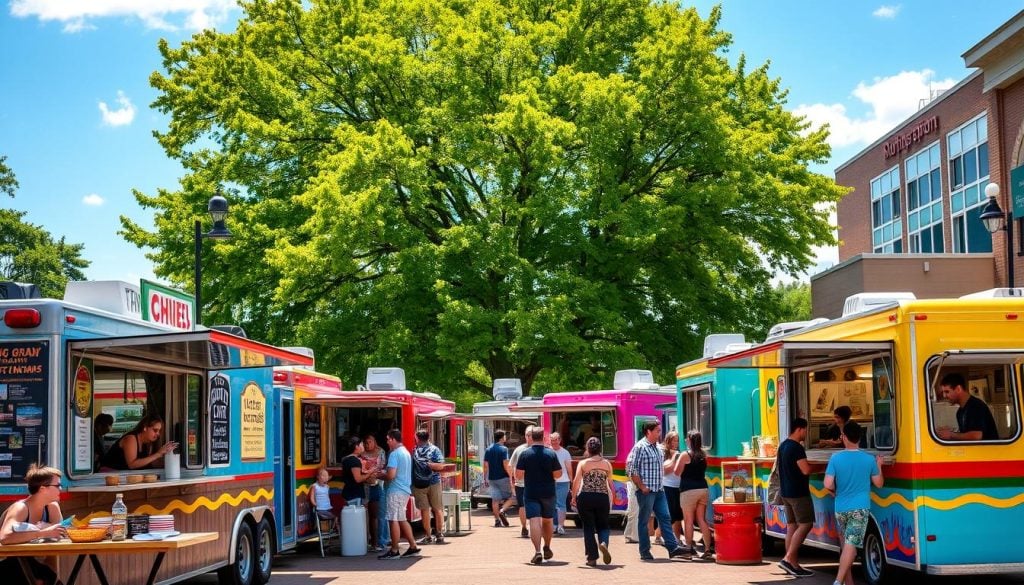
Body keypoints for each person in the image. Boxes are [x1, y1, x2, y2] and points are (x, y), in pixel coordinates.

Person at [824, 424, 884, 585]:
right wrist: (879, 465)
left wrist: (835, 493)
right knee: (851, 546)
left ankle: (848, 583)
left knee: (846, 546)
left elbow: (827, 483)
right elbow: (879, 483)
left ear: (843, 436)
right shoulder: (868, 459)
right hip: (860, 508)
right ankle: (838, 581)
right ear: (860, 437)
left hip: (840, 508)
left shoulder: (836, 458)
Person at [625, 421, 689, 561]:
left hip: (659, 490)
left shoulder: (657, 448)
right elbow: (630, 468)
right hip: (647, 491)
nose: (660, 433)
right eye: (657, 431)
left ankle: (672, 548)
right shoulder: (640, 447)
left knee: (665, 518)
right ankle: (645, 551)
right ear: (648, 431)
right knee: (644, 521)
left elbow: (661, 468)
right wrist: (642, 487)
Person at [0, 464, 67, 585]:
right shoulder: (20, 508)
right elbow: (5, 538)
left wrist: (54, 577)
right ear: (42, 488)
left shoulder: (52, 507)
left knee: (50, 579)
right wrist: (41, 533)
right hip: (9, 563)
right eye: (57, 485)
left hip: (32, 562)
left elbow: (60, 538)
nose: (61, 489)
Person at [515, 427, 561, 565]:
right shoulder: (551, 454)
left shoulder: (525, 454)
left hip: (531, 493)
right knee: (547, 520)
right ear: (544, 437)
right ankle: (547, 546)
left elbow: (518, 475)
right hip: (549, 492)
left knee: (534, 521)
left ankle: (537, 551)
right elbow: (558, 474)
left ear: (531, 437)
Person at [776, 418, 815, 577]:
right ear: (799, 429)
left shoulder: (783, 445)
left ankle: (792, 563)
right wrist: (822, 468)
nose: (806, 433)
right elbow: (805, 470)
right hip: (798, 493)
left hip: (785, 492)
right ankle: (788, 559)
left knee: (791, 526)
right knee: (806, 524)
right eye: (805, 430)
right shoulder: (797, 448)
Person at [570, 436, 614, 567]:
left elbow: (576, 482)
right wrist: (615, 496)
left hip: (586, 497)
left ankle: (592, 558)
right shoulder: (606, 464)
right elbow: (610, 483)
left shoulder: (583, 464)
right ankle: (604, 542)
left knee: (588, 527)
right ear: (600, 448)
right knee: (603, 525)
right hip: (602, 497)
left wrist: (573, 497)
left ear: (587, 449)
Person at [378, 429, 421, 560]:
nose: (386, 442)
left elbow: (391, 475)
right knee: (401, 518)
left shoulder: (394, 454)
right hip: (404, 489)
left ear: (392, 439)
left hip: (395, 490)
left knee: (393, 519)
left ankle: (395, 549)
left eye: (387, 439)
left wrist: (381, 474)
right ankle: (413, 546)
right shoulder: (406, 452)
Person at [674, 430, 713, 560]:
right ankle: (708, 550)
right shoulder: (703, 455)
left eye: (687, 439)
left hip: (688, 491)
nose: (685, 440)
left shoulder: (685, 455)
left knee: (688, 520)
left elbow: (676, 472)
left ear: (690, 441)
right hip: (703, 489)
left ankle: (689, 549)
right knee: (702, 519)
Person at [100, 413, 177, 470]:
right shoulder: (131, 439)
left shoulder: (149, 442)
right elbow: (132, 464)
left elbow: (150, 462)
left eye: (159, 431)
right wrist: (158, 454)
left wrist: (169, 459)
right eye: (155, 430)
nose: (157, 434)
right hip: (108, 475)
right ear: (145, 427)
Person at [936, 372, 999, 441]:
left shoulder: (976, 406)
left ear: (958, 389)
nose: (944, 396)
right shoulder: (960, 412)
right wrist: (949, 432)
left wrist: (951, 435)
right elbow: (966, 436)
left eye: (947, 392)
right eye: (943, 392)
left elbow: (976, 436)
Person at [412, 429, 445, 545]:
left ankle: (428, 536)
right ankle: (439, 534)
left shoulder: (414, 451)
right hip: (434, 482)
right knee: (437, 509)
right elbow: (441, 466)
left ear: (417, 438)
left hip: (418, 484)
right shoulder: (435, 450)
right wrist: (430, 465)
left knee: (424, 510)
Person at [362, 434, 389, 551]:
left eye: (370, 442)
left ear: (374, 442)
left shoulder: (381, 451)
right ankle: (370, 539)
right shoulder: (361, 454)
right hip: (365, 485)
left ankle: (382, 539)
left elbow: (382, 466)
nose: (368, 445)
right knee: (367, 515)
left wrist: (375, 475)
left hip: (378, 484)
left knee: (380, 514)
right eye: (366, 443)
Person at [508, 425, 535, 538]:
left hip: (533, 484)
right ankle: (524, 526)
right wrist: (512, 481)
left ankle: (531, 527)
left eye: (531, 435)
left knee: (531, 506)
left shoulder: (521, 449)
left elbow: (510, 466)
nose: (529, 437)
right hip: (521, 484)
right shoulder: (519, 450)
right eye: (527, 435)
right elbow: (510, 466)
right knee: (523, 506)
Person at [482, 430, 513, 527]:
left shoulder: (488, 449)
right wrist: (510, 475)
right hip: (503, 477)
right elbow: (505, 464)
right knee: (513, 497)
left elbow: (486, 465)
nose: (505, 437)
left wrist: (485, 477)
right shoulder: (504, 449)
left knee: (495, 500)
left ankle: (497, 520)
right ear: (501, 438)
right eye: (505, 436)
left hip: (492, 478)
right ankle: (502, 510)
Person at [660, 431, 683, 547]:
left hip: (677, 487)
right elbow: (664, 471)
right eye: (674, 440)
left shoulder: (679, 453)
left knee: (676, 514)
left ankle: (674, 538)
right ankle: (672, 539)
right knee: (671, 514)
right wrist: (675, 459)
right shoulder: (664, 453)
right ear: (668, 441)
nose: (676, 442)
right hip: (667, 486)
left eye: (677, 440)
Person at [549, 432, 572, 535]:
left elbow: (569, 468)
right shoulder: (548, 451)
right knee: (552, 504)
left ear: (559, 440)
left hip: (563, 481)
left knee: (560, 504)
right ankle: (554, 525)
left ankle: (560, 526)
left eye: (555, 440)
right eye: (552, 440)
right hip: (550, 482)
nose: (554, 442)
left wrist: (571, 481)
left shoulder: (565, 453)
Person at [340, 436, 370, 507]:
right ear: (356, 446)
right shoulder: (354, 461)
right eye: (362, 444)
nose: (363, 446)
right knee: (355, 516)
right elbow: (358, 479)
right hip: (354, 494)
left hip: (348, 493)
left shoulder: (346, 459)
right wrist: (369, 473)